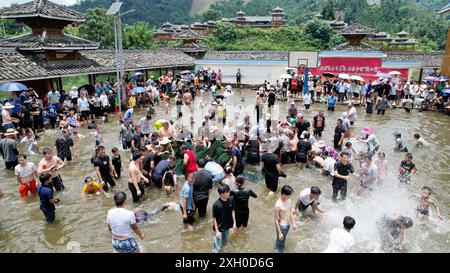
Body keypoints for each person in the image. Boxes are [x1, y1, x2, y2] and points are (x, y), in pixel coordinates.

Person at [212, 184, 237, 253]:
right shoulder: (216, 204)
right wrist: (217, 231)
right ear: (222, 194)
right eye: (227, 192)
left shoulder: (231, 200)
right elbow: (214, 218)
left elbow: (233, 211)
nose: (229, 193)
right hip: (219, 229)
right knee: (217, 249)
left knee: (225, 243)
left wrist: (234, 223)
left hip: (227, 227)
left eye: (229, 191)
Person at [274, 185, 297, 253]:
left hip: (287, 225)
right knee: (279, 248)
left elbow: (290, 211)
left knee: (282, 242)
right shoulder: (278, 205)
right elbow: (276, 219)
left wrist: (293, 223)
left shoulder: (288, 200)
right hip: (282, 226)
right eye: (289, 195)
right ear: (283, 194)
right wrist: (280, 233)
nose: (290, 196)